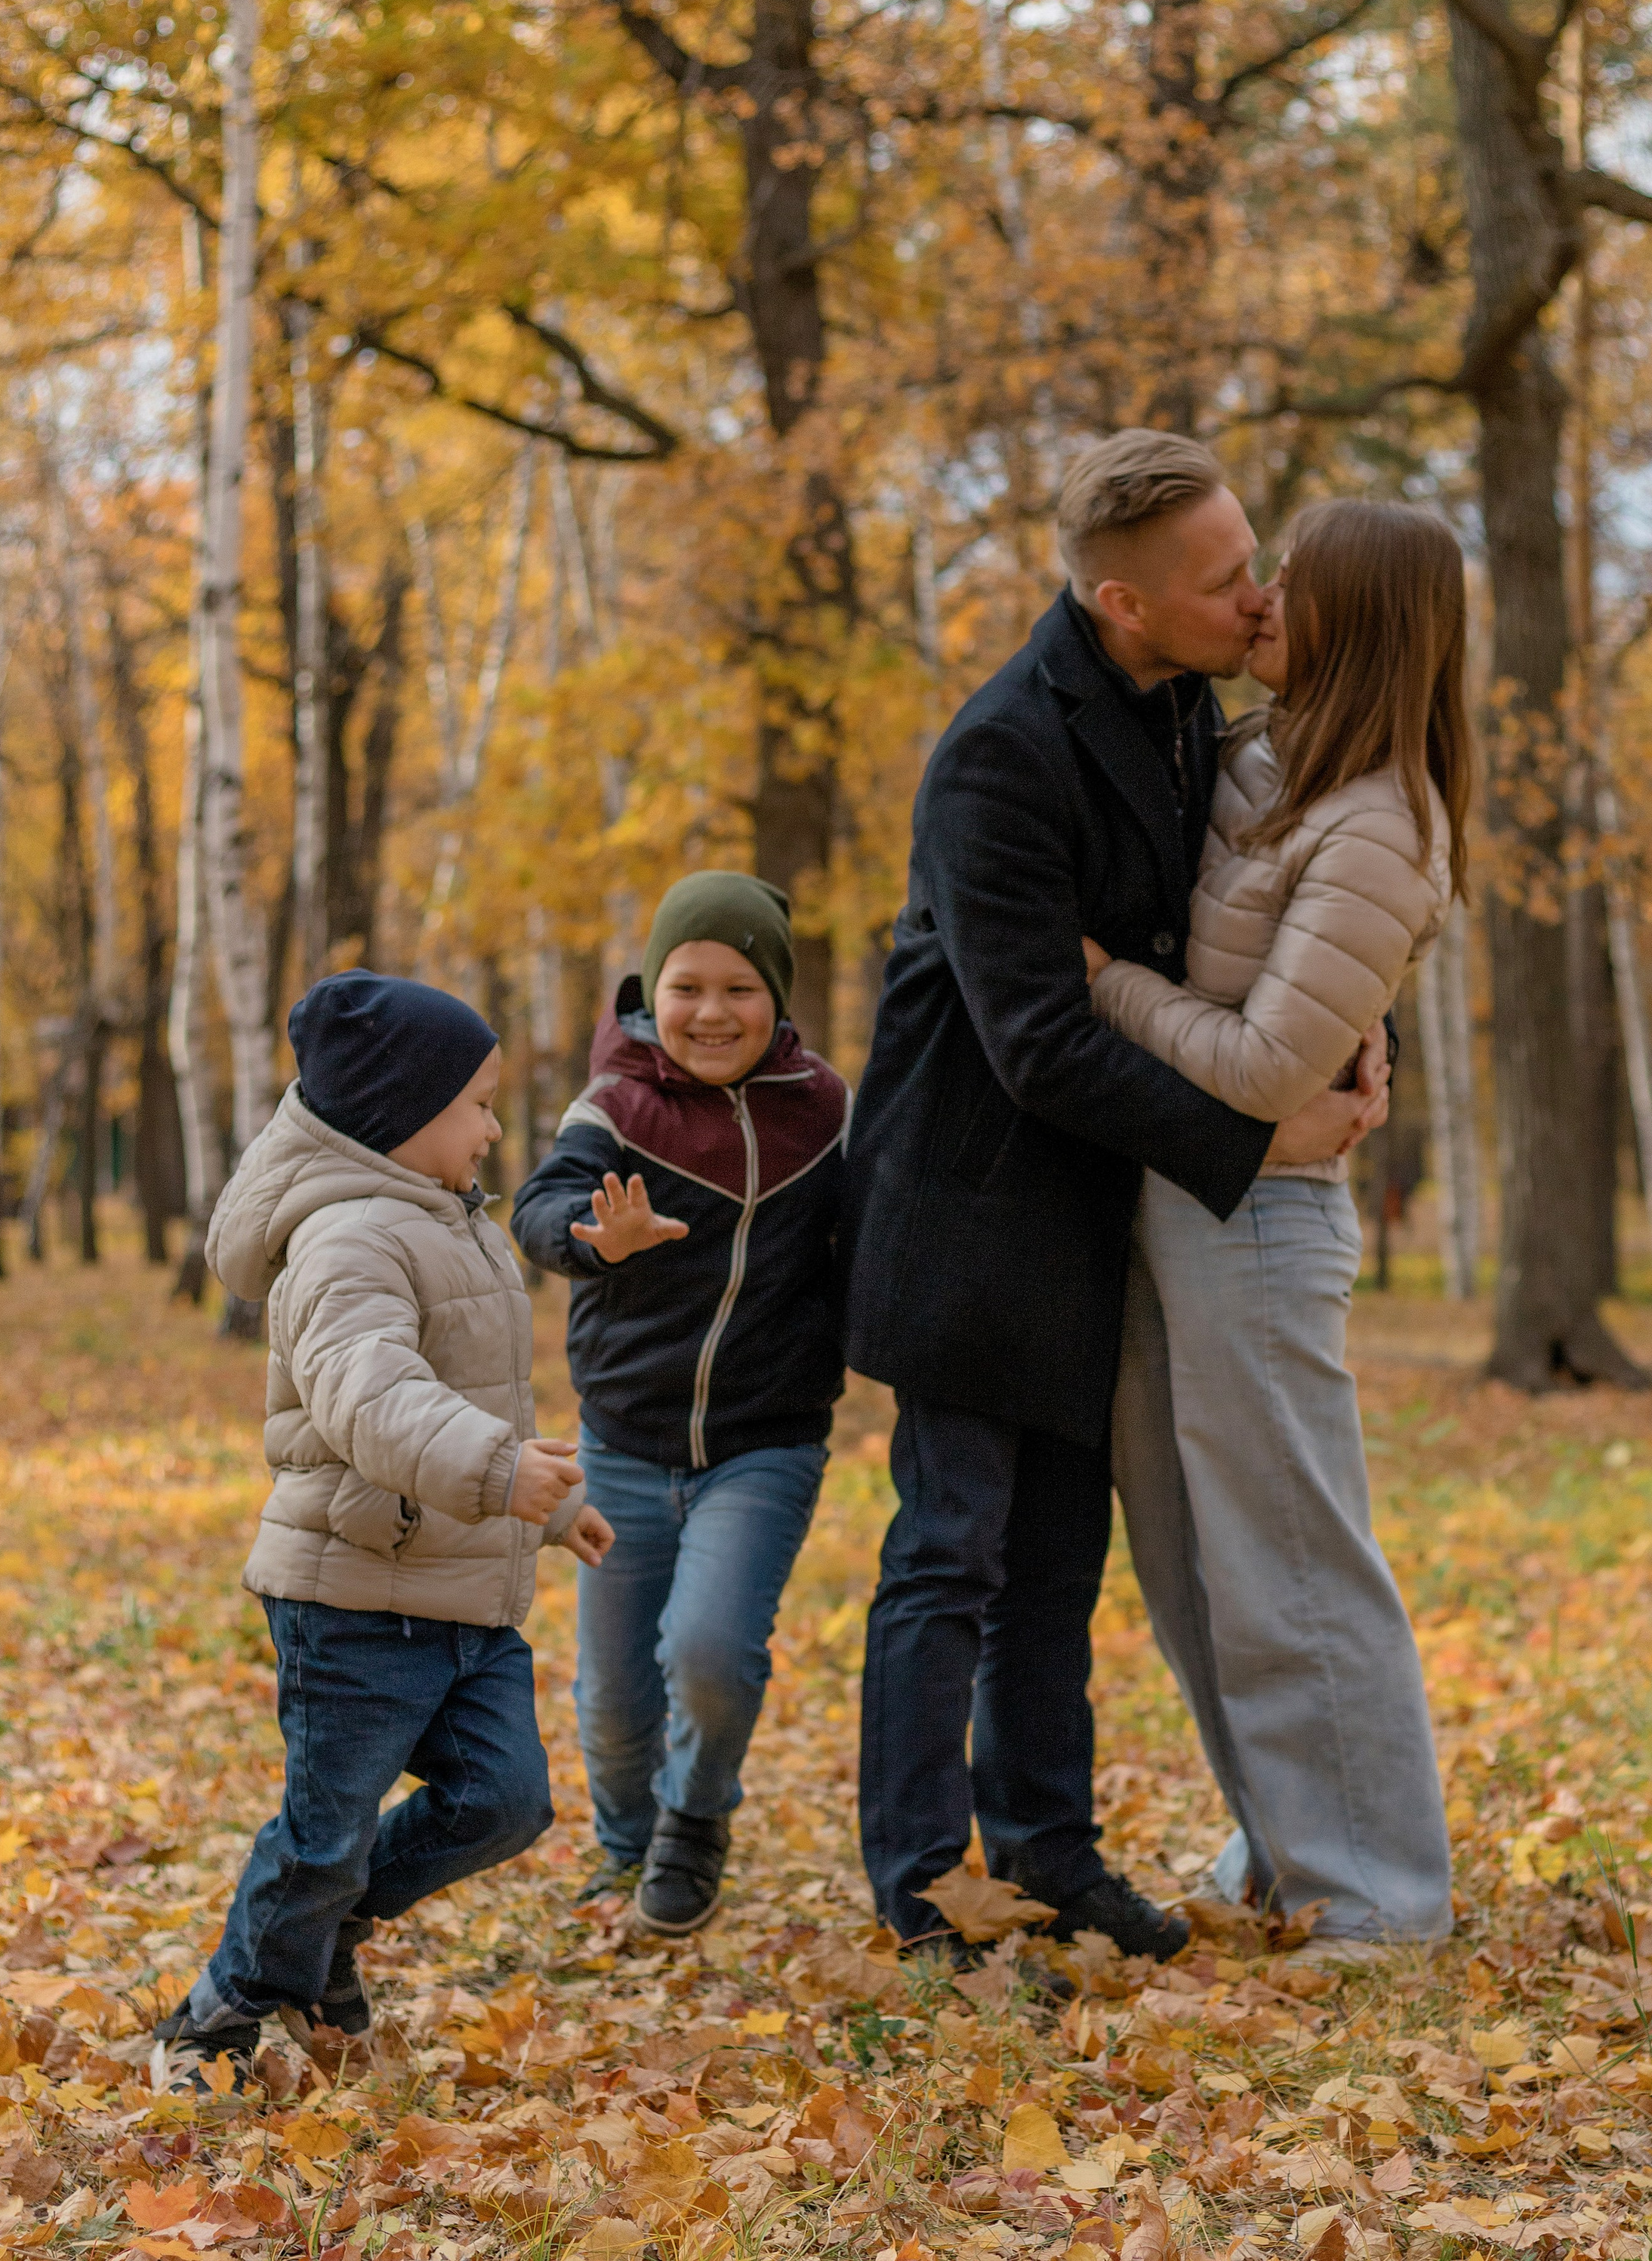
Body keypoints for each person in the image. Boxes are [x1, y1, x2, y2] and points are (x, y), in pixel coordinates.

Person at [841, 430, 1390, 1955]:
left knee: (1054, 1565)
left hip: (1091, 1215)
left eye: (1252, 555)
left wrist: (1345, 1032)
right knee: (948, 1550)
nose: (1258, 595)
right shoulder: (997, 757)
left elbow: (1238, 921)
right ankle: (918, 1880)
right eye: (1224, 581)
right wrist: (1250, 1145)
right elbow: (1031, 1042)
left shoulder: (1192, 713)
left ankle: (1048, 1852)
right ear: (1120, 602)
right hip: (964, 1208)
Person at [1094, 498, 1468, 1950]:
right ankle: (1286, 1841)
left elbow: (1265, 1066)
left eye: (1291, 589)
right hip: (1179, 1194)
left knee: (1294, 1552)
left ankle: (1383, 1893)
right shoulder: (1261, 754)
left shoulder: (1384, 819)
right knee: (1193, 1550)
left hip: (1262, 1217)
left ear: (1358, 621)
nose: (1260, 606)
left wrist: (1098, 981)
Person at [156, 973, 612, 2088]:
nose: (496, 1128)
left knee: (507, 1799)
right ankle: (221, 2011)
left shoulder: (442, 1217)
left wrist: (544, 1499)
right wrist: (499, 1470)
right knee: (323, 1835)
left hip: (460, 1595)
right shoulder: (345, 1239)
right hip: (353, 1598)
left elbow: (472, 1400)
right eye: (480, 1104)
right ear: (401, 1115)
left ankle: (322, 1940)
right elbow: (374, 1397)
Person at [513, 873, 848, 1937]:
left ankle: (694, 1823)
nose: (711, 1012)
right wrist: (592, 1239)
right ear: (655, 989)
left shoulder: (825, 1109)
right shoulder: (619, 1103)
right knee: (613, 1702)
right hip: (623, 1442)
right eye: (687, 985)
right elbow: (540, 1203)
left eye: (740, 987)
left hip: (765, 1443)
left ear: (778, 997)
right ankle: (627, 1845)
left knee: (709, 1650)